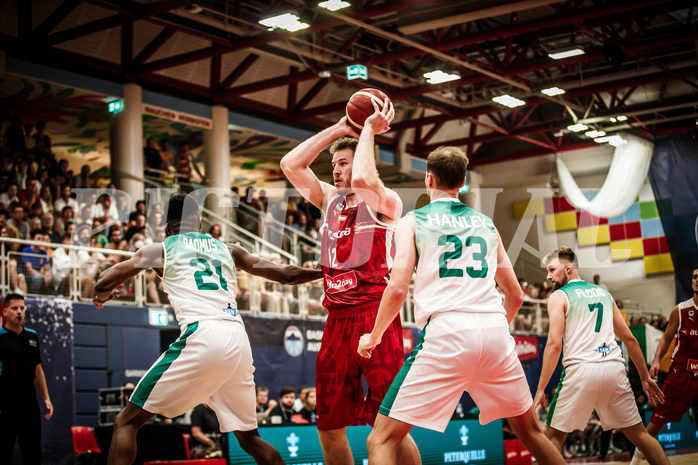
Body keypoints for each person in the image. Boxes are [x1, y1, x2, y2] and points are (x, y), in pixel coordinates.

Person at [357, 146, 564, 465]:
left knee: (381, 439)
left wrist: (373, 336)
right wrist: (491, 328)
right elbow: (516, 295)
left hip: (447, 332)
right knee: (532, 433)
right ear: (463, 181)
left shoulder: (413, 221)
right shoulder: (486, 223)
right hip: (495, 333)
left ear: (429, 179)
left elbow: (397, 288)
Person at [92, 193, 322, 465]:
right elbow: (287, 275)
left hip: (203, 335)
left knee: (125, 422)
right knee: (250, 439)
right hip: (237, 339)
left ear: (168, 227)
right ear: (199, 224)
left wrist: (102, 296)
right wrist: (325, 270)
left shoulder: (161, 249)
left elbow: (104, 281)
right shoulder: (229, 249)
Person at [281, 96, 414, 465]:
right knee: (328, 424)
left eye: (343, 163)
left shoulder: (385, 201)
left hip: (376, 317)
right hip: (336, 321)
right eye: (333, 164)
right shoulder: (328, 201)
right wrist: (341, 129)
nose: (336, 170)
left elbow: (364, 179)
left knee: (390, 426)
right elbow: (290, 164)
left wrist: (368, 131)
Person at [533, 247, 669, 465]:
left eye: (551, 270)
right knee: (641, 435)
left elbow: (554, 344)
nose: (548, 276)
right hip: (613, 369)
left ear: (568, 269)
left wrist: (540, 389)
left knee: (553, 440)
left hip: (580, 371)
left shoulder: (559, 296)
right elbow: (631, 340)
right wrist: (645, 378)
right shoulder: (604, 294)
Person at [629, 265, 698, 465]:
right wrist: (658, 359)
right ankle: (635, 462)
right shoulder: (681, 310)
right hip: (681, 372)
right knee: (657, 422)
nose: (696, 280)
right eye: (694, 276)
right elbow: (666, 338)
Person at [0, 292, 54, 465]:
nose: (19, 312)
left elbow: (38, 369)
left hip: (29, 401)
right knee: (4, 451)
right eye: (15, 308)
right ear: (5, 311)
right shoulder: (1, 337)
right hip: (6, 401)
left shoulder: (32, 336)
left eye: (22, 308)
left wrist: (46, 398)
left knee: (32, 452)